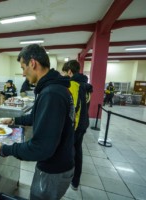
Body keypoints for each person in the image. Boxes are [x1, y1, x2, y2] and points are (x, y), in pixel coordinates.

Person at [0, 44, 75, 200]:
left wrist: (4, 149)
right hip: (57, 163)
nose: (22, 74)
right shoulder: (50, 88)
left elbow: (41, 147)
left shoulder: (51, 93)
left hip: (53, 169)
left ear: (33, 63)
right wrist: (13, 120)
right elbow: (35, 116)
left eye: (23, 67)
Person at [62, 60, 93, 191]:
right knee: (78, 152)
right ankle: (76, 181)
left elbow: (72, 108)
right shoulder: (86, 86)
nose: (64, 75)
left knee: (68, 152)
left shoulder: (73, 85)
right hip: (83, 124)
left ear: (70, 71)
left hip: (74, 126)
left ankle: (66, 179)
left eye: (65, 72)